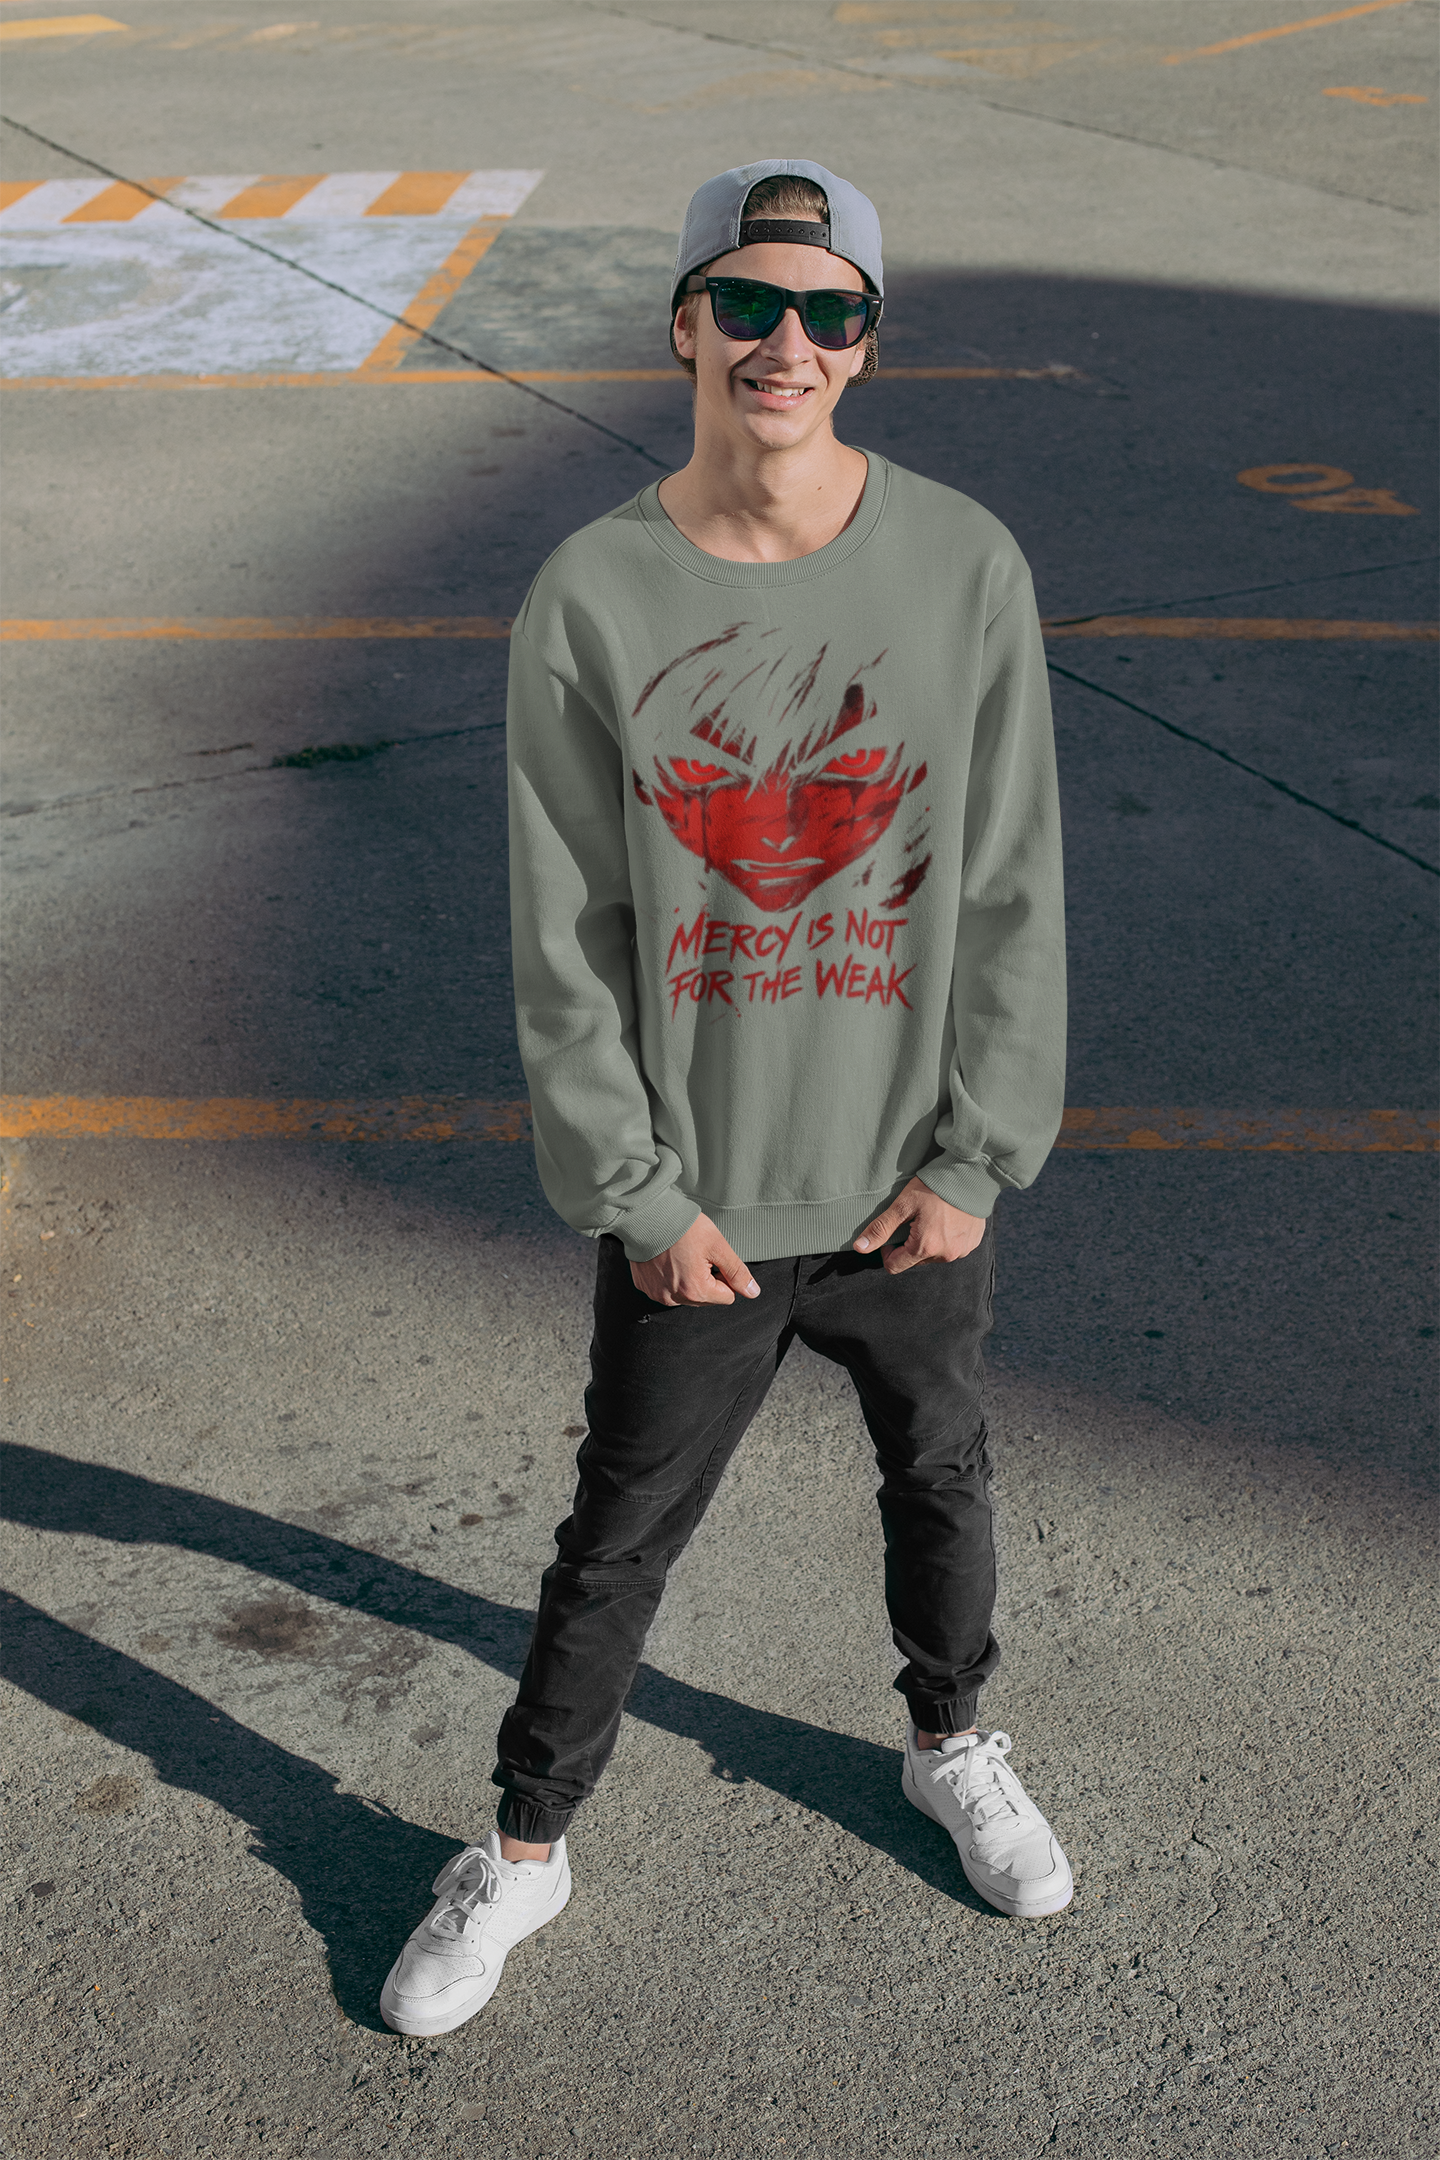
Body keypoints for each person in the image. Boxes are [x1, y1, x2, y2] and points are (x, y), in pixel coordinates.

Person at [381, 158, 1071, 2038]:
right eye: (749, 303)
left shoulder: (965, 564)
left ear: (868, 344)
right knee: (618, 1539)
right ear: (685, 323)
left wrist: (978, 1158)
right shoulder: (593, 592)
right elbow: (567, 929)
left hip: (906, 1189)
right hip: (700, 1204)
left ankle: (951, 1740)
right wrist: (634, 1190)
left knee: (941, 1477)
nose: (787, 343)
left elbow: (1011, 884)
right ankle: (525, 1849)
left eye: (829, 312)